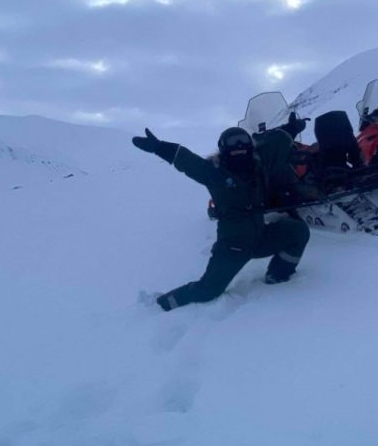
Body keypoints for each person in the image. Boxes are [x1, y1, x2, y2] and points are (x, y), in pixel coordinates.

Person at [132, 125, 310, 311]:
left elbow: (275, 143)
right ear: (223, 148)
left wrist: (291, 128)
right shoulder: (213, 172)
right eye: (232, 142)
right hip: (233, 247)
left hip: (261, 238)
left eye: (243, 140)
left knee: (298, 231)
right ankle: (159, 306)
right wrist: (159, 147)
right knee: (207, 291)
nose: (239, 145)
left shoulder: (258, 164)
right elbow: (186, 160)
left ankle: (278, 276)